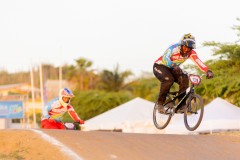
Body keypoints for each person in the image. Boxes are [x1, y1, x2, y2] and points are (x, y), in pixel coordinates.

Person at [153, 33, 214, 113]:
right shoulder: (174, 48)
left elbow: (198, 62)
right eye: (185, 47)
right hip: (160, 66)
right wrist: (173, 65)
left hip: (174, 69)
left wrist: (207, 70)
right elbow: (165, 58)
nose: (186, 50)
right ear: (181, 45)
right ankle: (160, 103)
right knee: (168, 79)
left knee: (185, 78)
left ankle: (181, 105)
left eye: (189, 48)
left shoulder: (191, 53)